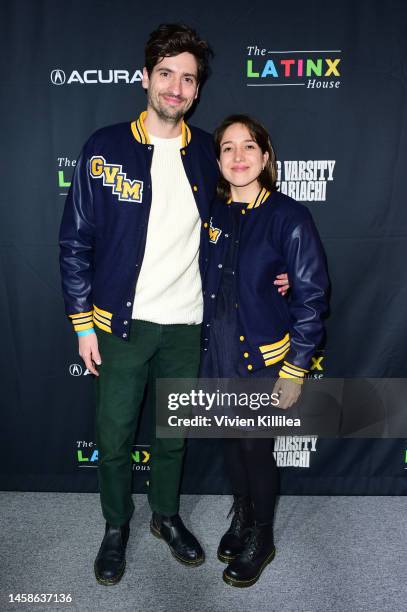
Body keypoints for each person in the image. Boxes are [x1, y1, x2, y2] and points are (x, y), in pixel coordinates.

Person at [200, 114, 329, 587]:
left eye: (249, 146)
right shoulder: (212, 214)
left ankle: (263, 535)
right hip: (218, 353)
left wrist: (295, 369)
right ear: (217, 160)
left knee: (256, 449)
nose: (238, 156)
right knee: (233, 444)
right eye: (228, 148)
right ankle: (242, 515)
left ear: (266, 156)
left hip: (263, 356)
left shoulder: (288, 215)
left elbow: (313, 296)